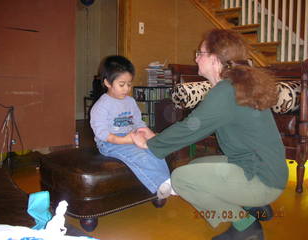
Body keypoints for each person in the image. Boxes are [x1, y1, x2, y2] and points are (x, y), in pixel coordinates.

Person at [131, 29, 288, 240]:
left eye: (200, 53)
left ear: (215, 59)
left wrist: (150, 144)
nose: (196, 57)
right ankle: (254, 206)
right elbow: (195, 125)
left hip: (262, 179)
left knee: (181, 180)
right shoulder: (236, 86)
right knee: (195, 168)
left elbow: (191, 127)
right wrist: (156, 137)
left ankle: (246, 227)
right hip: (265, 170)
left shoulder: (226, 91)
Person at [90, 55, 175, 200]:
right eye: (121, 84)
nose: (126, 89)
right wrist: (125, 140)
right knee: (139, 155)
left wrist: (145, 132)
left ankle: (167, 182)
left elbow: (137, 121)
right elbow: (102, 133)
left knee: (154, 151)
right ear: (107, 83)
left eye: (129, 84)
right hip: (110, 143)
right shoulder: (101, 105)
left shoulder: (130, 101)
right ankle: (162, 184)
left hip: (132, 138)